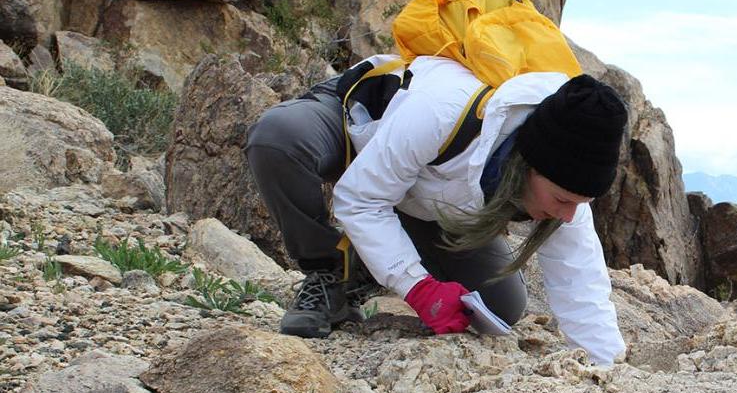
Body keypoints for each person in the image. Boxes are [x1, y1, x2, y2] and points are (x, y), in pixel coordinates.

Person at [244, 54, 629, 366]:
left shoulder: (566, 188)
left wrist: (606, 368)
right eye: (562, 201)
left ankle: (368, 264)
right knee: (279, 137)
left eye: (578, 205)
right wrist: (418, 287)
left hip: (420, 195)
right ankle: (326, 272)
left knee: (500, 306)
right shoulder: (442, 110)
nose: (567, 215)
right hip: (360, 128)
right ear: (527, 166)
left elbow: (579, 279)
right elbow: (359, 198)